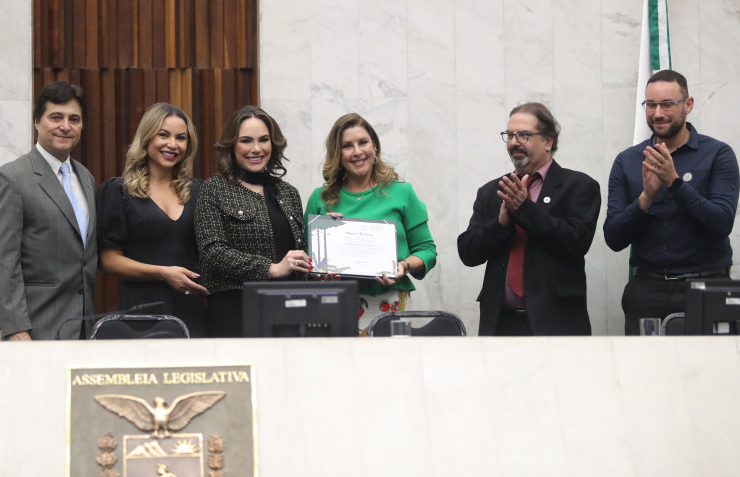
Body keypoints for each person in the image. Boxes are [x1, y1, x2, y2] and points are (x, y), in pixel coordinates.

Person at [604, 70, 739, 334]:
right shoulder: (628, 160)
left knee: (707, 372)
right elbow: (614, 238)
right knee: (645, 372)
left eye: (667, 104)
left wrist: (675, 183)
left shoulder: (718, 154)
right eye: (650, 105)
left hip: (705, 286)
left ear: (688, 105)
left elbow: (721, 223)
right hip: (646, 290)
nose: (657, 113)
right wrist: (646, 197)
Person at [457, 102, 600, 336]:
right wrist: (501, 223)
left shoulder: (579, 186)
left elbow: (576, 242)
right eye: (510, 135)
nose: (514, 142)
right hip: (501, 325)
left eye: (524, 135)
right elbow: (468, 252)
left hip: (556, 324)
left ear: (548, 141)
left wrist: (524, 210)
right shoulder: (492, 191)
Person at [304, 113, 437, 336]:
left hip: (390, 301)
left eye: (363, 142)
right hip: (336, 303)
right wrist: (320, 269)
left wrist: (403, 266)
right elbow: (308, 261)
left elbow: (427, 251)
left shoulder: (402, 192)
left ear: (374, 147)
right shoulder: (320, 198)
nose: (357, 151)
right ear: (338, 154)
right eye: (347, 146)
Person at [0, 81, 97, 340]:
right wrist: (15, 329)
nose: (65, 126)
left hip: (83, 329)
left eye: (74, 119)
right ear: (37, 121)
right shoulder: (11, 178)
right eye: (55, 117)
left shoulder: (86, 178)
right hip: (36, 330)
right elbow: (2, 261)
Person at [195, 105, 310, 337]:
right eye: (246, 141)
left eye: (263, 140)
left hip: (289, 309)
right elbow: (212, 252)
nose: (256, 149)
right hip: (234, 311)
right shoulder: (214, 188)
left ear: (273, 144)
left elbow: (299, 256)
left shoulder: (288, 192)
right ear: (232, 145)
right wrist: (271, 269)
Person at [97, 103, 208, 336]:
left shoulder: (198, 191)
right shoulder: (119, 191)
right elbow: (109, 261)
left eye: (181, 138)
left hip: (190, 311)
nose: (172, 144)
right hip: (140, 314)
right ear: (147, 138)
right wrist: (163, 272)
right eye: (163, 135)